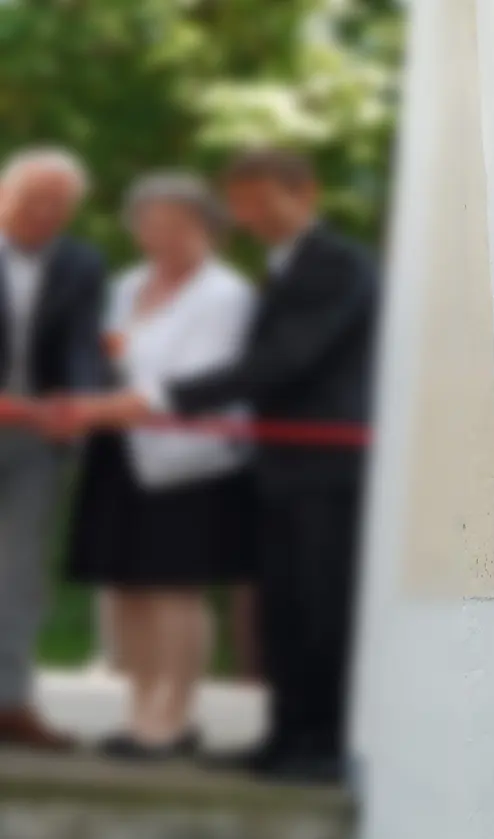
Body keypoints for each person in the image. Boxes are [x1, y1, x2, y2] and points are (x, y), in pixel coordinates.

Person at [63, 148, 379, 783]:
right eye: (241, 202)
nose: (249, 214)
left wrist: (155, 399)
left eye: (261, 199)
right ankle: (287, 737)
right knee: (283, 611)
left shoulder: (336, 264)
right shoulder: (281, 267)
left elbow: (280, 363)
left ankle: (320, 748)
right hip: (276, 467)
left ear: (303, 193)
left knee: (319, 608)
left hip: (323, 469)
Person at [64, 172, 257, 760]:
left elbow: (205, 377)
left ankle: (172, 717)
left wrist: (110, 404)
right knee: (126, 585)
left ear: (206, 227)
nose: (160, 235)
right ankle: (141, 706)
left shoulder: (226, 294)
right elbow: (106, 353)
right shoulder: (127, 286)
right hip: (118, 449)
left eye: (175, 224)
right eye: (149, 224)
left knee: (174, 587)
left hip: (188, 459)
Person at [0, 147, 104, 751]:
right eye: (32, 199)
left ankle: (9, 701)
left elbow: (83, 345)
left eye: (58, 204)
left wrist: (79, 404)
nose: (44, 212)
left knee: (20, 572)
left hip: (37, 436)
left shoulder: (82, 262)